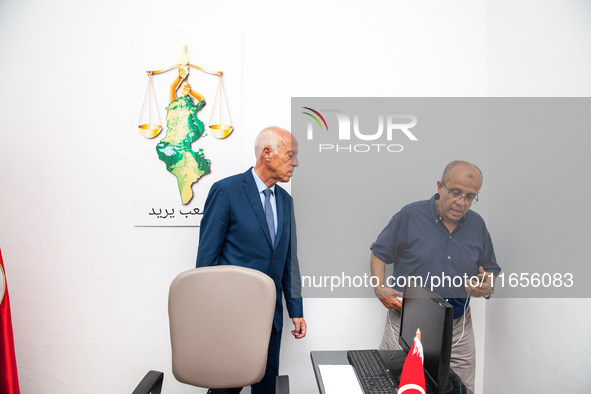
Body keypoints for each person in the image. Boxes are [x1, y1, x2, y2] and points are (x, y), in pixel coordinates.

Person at [369, 160, 501, 392]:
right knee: (390, 386)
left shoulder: (477, 225)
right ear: (440, 186)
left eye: (470, 196)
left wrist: (486, 286)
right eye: (456, 193)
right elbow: (379, 253)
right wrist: (379, 288)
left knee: (461, 390)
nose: (461, 202)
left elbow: (489, 270)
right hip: (406, 324)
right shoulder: (410, 215)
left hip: (458, 329)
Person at [196, 126, 307, 394]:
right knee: (225, 388)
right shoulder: (226, 191)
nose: (295, 163)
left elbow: (288, 260)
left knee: (266, 387)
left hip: (270, 318)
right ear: (267, 153)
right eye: (290, 155)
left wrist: (296, 310)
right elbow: (206, 262)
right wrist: (212, 313)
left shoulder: (286, 200)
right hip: (231, 316)